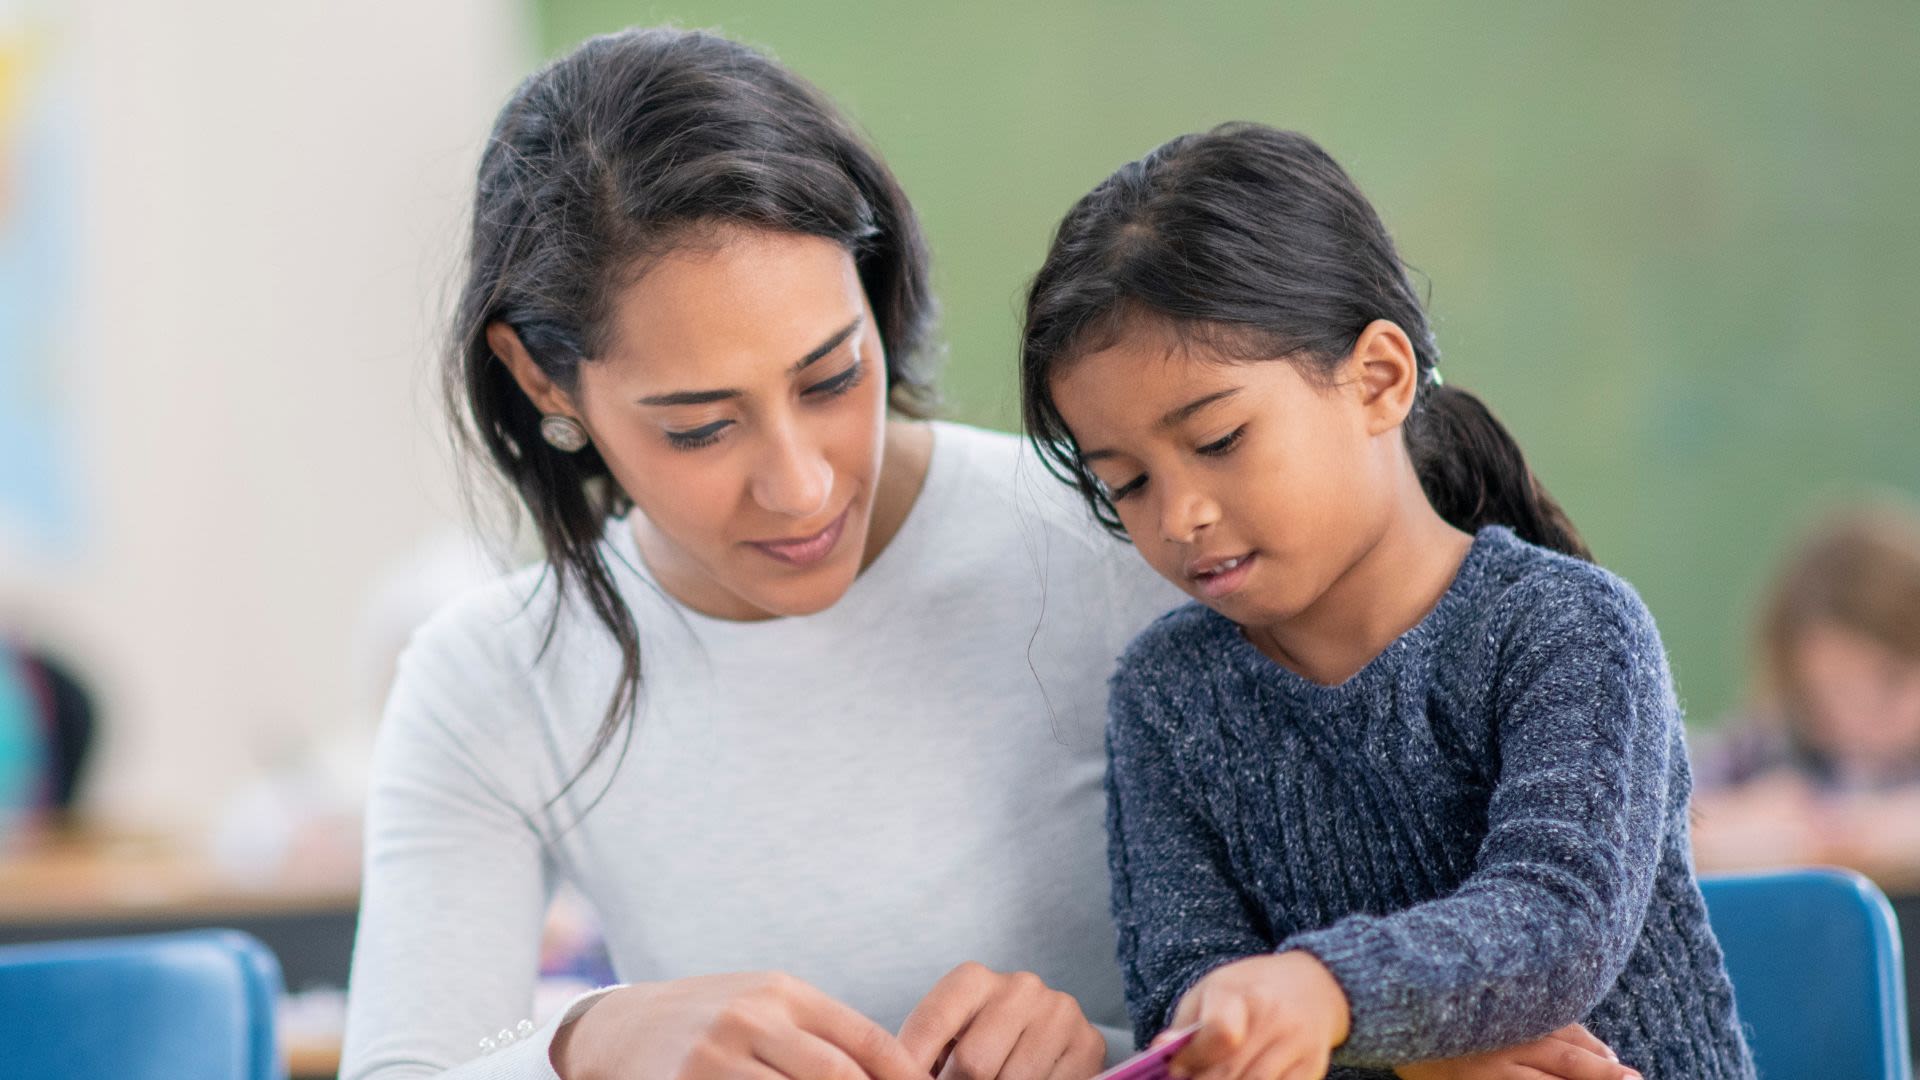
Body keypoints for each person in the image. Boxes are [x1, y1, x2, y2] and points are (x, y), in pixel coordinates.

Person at [343, 29, 1645, 1080]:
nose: (799, 482)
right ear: (543, 381)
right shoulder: (492, 678)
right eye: (698, 426)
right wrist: (590, 1043)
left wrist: (1111, 1055)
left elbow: (1414, 936)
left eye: (832, 376)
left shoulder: (1134, 541)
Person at [1020, 124, 1754, 1078]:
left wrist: (1327, 999)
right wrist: (1407, 1064)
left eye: (1219, 440)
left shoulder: (1566, 627)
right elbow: (1189, 1007)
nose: (1183, 515)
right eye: (1127, 483)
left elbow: (1558, 917)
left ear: (1379, 379)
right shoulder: (1167, 698)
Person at [1692, 499, 1920, 891]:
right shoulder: (1767, 749)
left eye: (1890, 682)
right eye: (1831, 695)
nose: (1860, 718)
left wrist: (1866, 832)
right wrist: (1751, 822)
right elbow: (1660, 825)